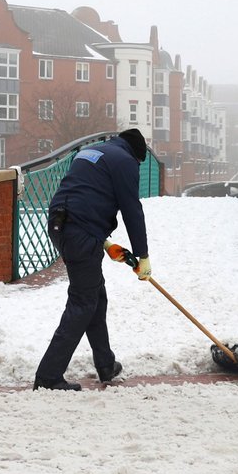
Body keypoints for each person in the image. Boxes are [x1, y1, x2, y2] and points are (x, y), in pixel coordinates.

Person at [33, 128, 152, 391]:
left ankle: (105, 364)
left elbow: (84, 195)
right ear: (137, 154)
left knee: (95, 296)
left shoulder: (92, 151)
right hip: (81, 232)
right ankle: (48, 376)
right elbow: (132, 210)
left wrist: (105, 242)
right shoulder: (125, 162)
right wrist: (143, 256)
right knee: (83, 302)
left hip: (60, 224)